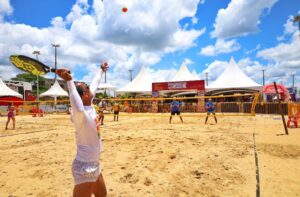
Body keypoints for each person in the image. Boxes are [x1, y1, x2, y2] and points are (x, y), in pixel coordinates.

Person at [56, 62, 108, 197]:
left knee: (102, 195)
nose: (91, 89)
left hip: (94, 164)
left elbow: (95, 84)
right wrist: (69, 80)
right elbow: (77, 107)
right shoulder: (79, 114)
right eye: (88, 89)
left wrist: (101, 71)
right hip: (85, 167)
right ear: (84, 94)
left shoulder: (89, 105)